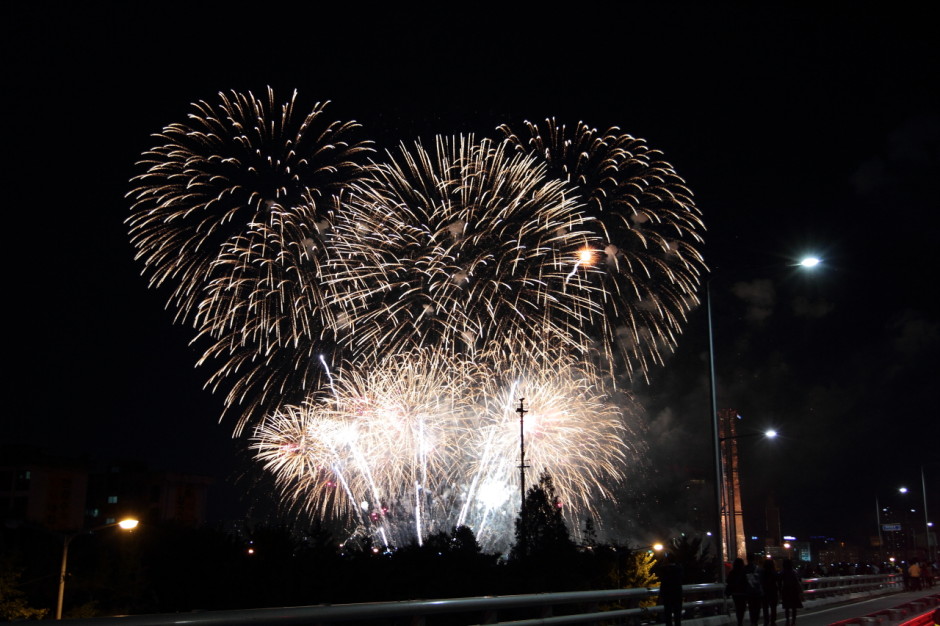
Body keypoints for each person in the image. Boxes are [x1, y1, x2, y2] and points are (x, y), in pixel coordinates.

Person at [658, 553, 684, 626]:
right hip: (677, 594)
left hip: (667, 595)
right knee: (677, 615)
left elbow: (662, 582)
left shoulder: (663, 570)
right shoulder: (679, 569)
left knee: (668, 615)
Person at [726, 559, 750, 626]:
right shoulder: (744, 572)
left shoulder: (732, 572)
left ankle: (739, 620)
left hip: (735, 593)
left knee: (737, 607)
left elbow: (728, 581)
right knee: (742, 607)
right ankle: (740, 620)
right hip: (743, 592)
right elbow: (747, 582)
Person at [780, 559, 803, 626]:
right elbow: (799, 580)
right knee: (794, 607)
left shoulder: (782, 572)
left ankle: (787, 621)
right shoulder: (794, 572)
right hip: (794, 590)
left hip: (786, 590)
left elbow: (779, 581)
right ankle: (793, 621)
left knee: (787, 607)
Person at [760, 558, 780, 625]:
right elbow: (778, 581)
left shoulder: (762, 572)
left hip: (765, 591)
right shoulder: (774, 572)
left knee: (765, 608)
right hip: (773, 591)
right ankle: (773, 621)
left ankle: (766, 621)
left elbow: (760, 581)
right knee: (773, 608)